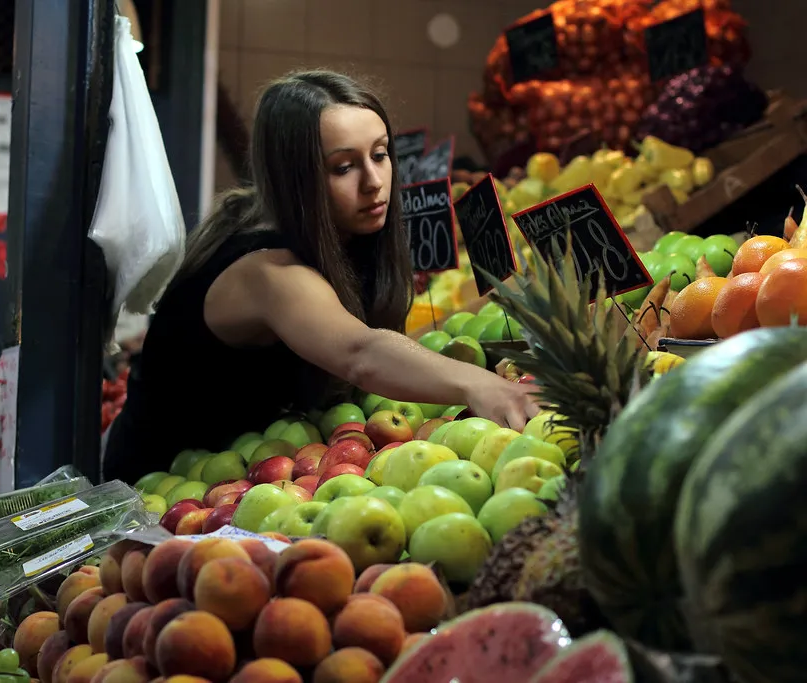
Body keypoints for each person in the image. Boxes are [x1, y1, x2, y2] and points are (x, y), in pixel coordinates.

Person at [102, 70, 539, 484]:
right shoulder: (266, 271)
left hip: (256, 470)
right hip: (158, 494)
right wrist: (480, 384)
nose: (374, 182)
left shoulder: (344, 239)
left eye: (381, 154)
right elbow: (359, 352)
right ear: (295, 179)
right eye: (343, 167)